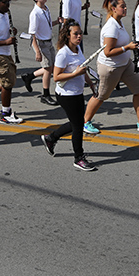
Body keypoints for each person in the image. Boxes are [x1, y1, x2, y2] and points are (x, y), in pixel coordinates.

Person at [81, 0, 139, 135]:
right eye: (122, 6)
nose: (125, 9)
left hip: (125, 65)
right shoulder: (111, 27)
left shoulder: (119, 23)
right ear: (114, 9)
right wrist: (127, 48)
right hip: (111, 67)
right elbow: (108, 52)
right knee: (101, 95)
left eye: (125, 6)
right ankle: (85, 122)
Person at [41, 19, 98, 171]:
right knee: (79, 125)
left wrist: (91, 84)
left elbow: (82, 68)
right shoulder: (63, 53)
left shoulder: (78, 49)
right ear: (67, 35)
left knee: (76, 123)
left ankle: (51, 138)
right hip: (66, 94)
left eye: (80, 34)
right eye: (75, 34)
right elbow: (56, 76)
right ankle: (78, 158)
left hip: (78, 92)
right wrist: (75, 73)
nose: (79, 36)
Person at [21, 0, 60, 106]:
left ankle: (30, 77)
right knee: (48, 69)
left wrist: (56, 22)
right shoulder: (35, 14)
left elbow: (47, 25)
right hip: (41, 44)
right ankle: (45, 94)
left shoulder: (45, 8)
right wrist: (37, 51)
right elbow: (32, 34)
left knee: (51, 67)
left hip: (49, 41)